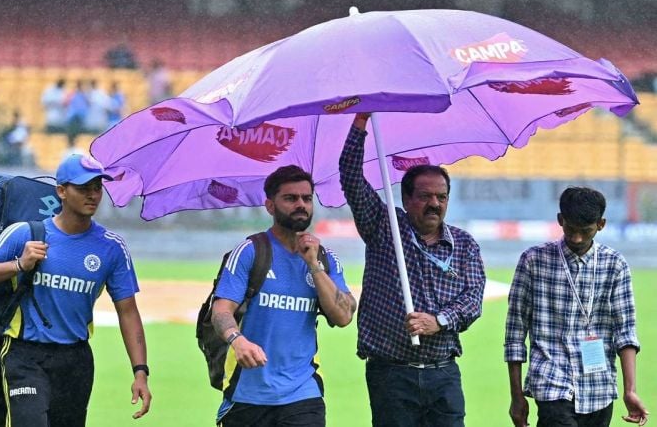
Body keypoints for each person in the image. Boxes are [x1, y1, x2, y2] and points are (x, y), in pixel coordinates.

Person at [0, 154, 152, 426]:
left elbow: (128, 313)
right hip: (24, 355)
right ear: (61, 191)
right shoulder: (26, 234)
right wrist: (18, 265)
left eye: (97, 187)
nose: (93, 195)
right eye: (83, 188)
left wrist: (140, 371)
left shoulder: (112, 247)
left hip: (76, 360)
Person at [339, 113, 486, 427]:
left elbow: (473, 300)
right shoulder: (383, 226)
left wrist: (439, 321)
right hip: (391, 374)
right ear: (406, 199)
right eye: (425, 196)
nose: (434, 203)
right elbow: (350, 175)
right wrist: (361, 121)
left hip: (443, 372)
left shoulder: (464, 244)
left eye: (441, 197)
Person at [211, 165, 357, 427]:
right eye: (290, 198)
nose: (301, 204)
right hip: (248, 393)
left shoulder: (325, 258)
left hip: (303, 393)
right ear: (270, 206)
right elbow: (221, 310)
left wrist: (313, 264)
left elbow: (344, 315)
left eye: (307, 198)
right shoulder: (250, 251)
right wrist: (238, 340)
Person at [504, 187, 649, 427]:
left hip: (598, 388)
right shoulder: (533, 261)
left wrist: (630, 390)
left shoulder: (615, 265)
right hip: (551, 383)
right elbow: (515, 333)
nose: (577, 238)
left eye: (586, 231)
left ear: (601, 224)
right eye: (571, 229)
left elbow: (626, 332)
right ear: (560, 220)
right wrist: (516, 395)